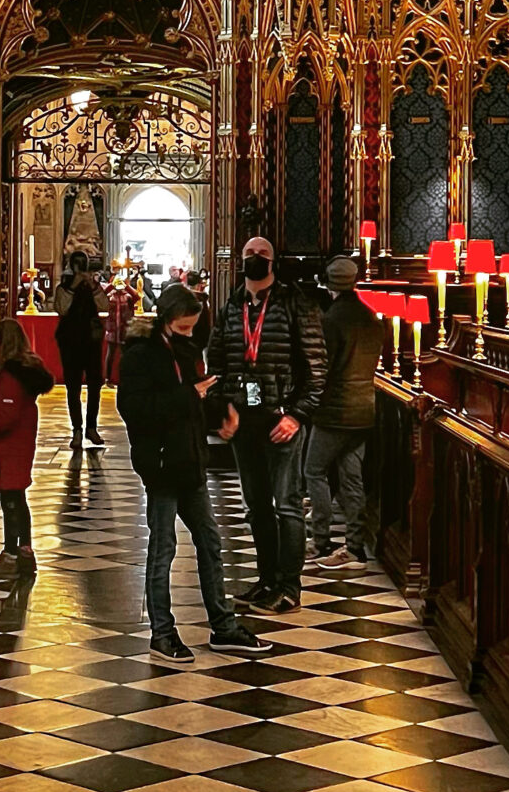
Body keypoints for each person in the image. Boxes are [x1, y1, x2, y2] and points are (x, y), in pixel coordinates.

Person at [118, 284, 272, 665]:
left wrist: (221, 412)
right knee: (163, 549)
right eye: (183, 328)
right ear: (167, 321)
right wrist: (193, 397)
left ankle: (223, 627)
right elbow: (135, 409)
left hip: (190, 462)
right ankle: (162, 633)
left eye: (192, 328)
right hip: (162, 465)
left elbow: (199, 394)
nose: (189, 334)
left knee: (210, 542)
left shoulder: (185, 351)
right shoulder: (141, 354)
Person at [206, 235, 325, 611]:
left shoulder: (294, 303)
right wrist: (224, 406)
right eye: (249, 255)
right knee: (256, 505)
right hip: (245, 419)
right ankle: (266, 579)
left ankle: (288, 587)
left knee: (287, 505)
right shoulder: (231, 305)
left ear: (273, 262)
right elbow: (219, 363)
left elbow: (318, 370)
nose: (255, 259)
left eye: (262, 255)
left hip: (282, 418)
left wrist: (297, 415)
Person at [307, 256, 385, 570]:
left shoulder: (332, 319)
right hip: (364, 408)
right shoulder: (371, 317)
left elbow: (322, 368)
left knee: (314, 471)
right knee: (352, 478)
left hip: (334, 411)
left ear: (328, 285)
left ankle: (321, 541)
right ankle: (354, 547)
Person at [0, 318, 54, 576]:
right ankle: (25, 553)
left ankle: (10, 556)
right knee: (18, 500)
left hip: (9, 449)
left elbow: (6, 414)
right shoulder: (22, 374)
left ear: (3, 344)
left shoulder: (9, 376)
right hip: (18, 447)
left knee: (10, 502)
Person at [54, 251, 108, 448]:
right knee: (73, 386)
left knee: (95, 385)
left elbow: (104, 305)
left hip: (91, 341)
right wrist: (74, 285)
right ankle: (76, 429)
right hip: (70, 342)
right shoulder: (64, 287)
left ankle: (91, 427)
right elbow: (61, 308)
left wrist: (93, 286)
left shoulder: (92, 287)